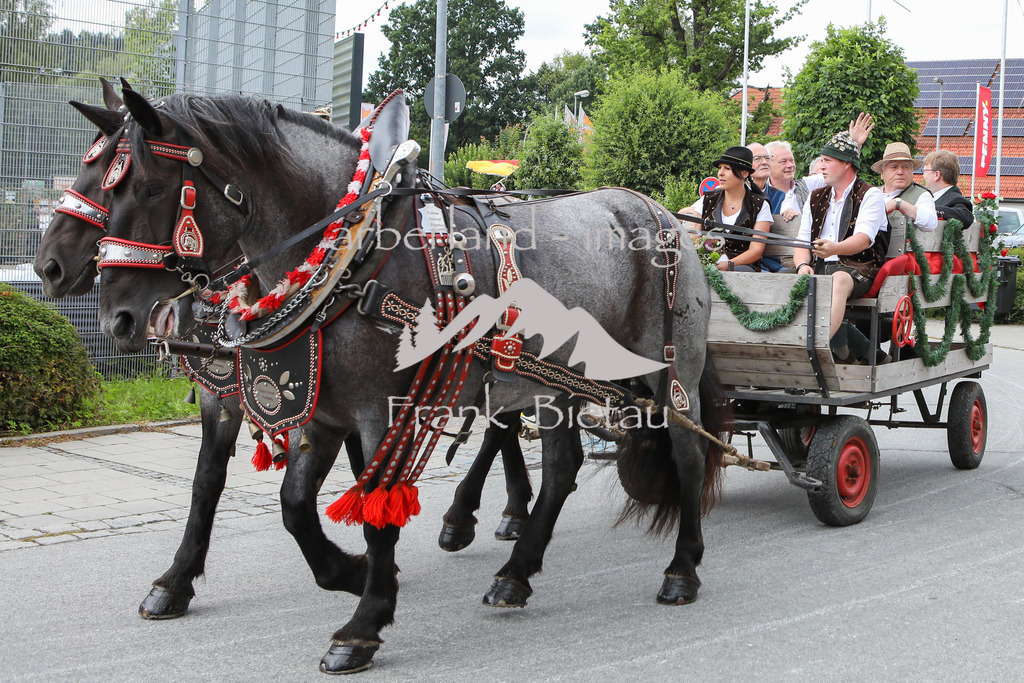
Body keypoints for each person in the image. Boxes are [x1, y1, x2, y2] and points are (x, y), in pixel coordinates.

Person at [792, 131, 889, 364]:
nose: (821, 166)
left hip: (860, 266)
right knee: (784, 282)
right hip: (819, 265)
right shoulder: (816, 196)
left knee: (837, 280)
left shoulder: (870, 194)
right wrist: (802, 264)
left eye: (828, 160)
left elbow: (864, 239)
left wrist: (834, 248)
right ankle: (851, 352)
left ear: (846, 164)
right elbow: (802, 240)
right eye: (822, 160)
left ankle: (817, 346)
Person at [680, 146, 772, 271]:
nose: (720, 173)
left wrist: (729, 264)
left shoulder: (760, 205)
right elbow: (694, 237)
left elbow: (756, 250)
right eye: (720, 168)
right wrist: (705, 258)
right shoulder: (707, 199)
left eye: (727, 168)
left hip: (742, 267)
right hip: (708, 264)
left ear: (744, 173)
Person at [871, 142, 938, 244]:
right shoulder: (871, 194)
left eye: (906, 167)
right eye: (894, 167)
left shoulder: (922, 195)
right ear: (882, 173)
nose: (900, 172)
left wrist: (898, 203)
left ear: (912, 172)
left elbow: (930, 223)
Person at [922, 149, 975, 229]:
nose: (923, 176)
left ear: (937, 175)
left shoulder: (956, 199)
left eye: (925, 171)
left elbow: (966, 217)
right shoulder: (925, 195)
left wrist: (929, 210)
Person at [747, 142, 786, 213]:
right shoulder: (737, 194)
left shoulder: (779, 196)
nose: (764, 162)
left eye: (767, 158)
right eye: (757, 159)